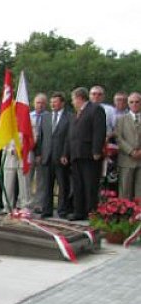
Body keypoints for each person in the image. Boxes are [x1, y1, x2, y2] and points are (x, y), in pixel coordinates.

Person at [66, 87, 106, 220]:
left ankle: (91, 212)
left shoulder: (95, 109)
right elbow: (71, 135)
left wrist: (96, 150)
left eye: (73, 99)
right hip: (76, 154)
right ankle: (79, 211)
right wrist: (67, 153)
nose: (72, 102)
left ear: (79, 98)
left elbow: (99, 131)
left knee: (90, 184)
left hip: (89, 154)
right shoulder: (76, 113)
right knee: (78, 185)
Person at [36, 92, 72, 218]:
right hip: (47, 157)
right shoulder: (45, 117)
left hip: (61, 157)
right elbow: (41, 137)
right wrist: (39, 153)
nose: (52, 104)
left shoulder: (69, 117)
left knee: (63, 185)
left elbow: (69, 138)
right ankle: (47, 210)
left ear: (62, 103)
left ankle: (62, 211)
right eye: (51, 102)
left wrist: (65, 154)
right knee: (47, 186)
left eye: (55, 102)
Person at [114, 91, 141, 199]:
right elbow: (118, 138)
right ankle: (125, 210)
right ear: (128, 103)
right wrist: (131, 151)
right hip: (126, 160)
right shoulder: (121, 119)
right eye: (131, 102)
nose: (134, 104)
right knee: (125, 191)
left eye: (137, 102)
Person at [30, 93, 48, 213]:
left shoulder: (48, 117)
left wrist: (40, 153)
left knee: (41, 180)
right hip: (29, 152)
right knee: (27, 178)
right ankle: (27, 202)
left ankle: (39, 204)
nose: (40, 105)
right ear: (34, 103)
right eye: (38, 102)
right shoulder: (28, 116)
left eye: (42, 103)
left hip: (43, 153)